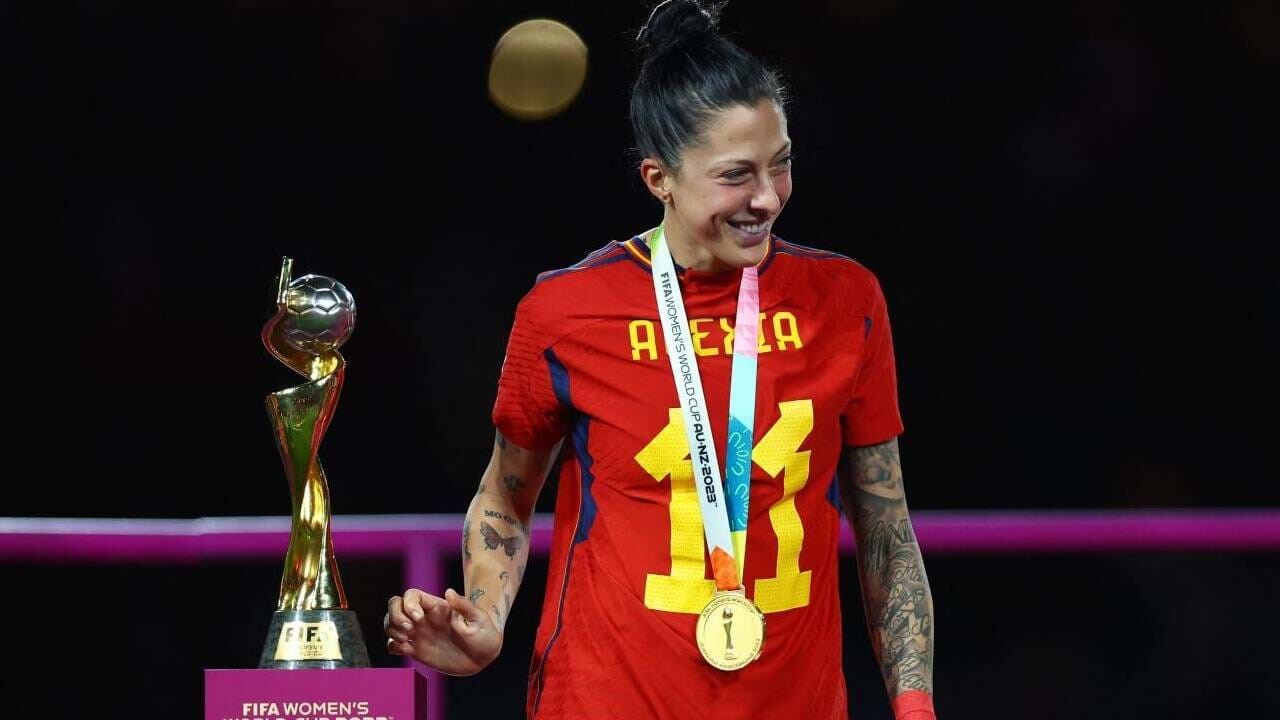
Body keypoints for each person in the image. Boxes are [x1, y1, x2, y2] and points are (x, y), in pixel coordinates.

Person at [384, 1, 936, 718]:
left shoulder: (846, 301)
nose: (767, 198)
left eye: (781, 164)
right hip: (604, 700)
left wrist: (915, 706)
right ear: (658, 179)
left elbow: (888, 530)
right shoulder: (566, 312)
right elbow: (504, 497)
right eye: (735, 175)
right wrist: (486, 616)